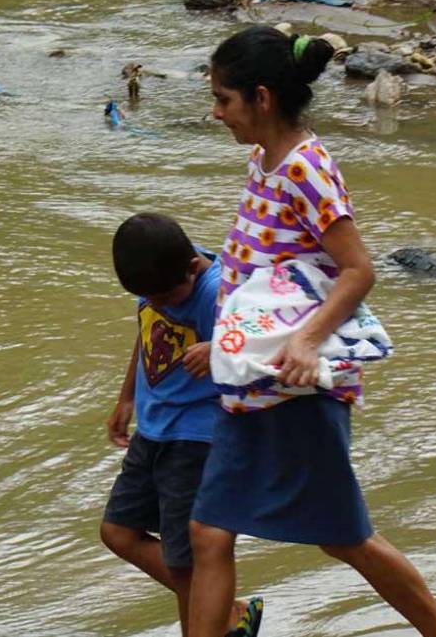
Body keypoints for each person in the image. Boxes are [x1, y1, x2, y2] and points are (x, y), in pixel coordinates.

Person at [187, 26, 436, 637]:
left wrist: (305, 343)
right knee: (208, 531)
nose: (216, 112)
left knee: (346, 539)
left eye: (223, 98)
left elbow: (357, 271)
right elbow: (265, 276)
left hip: (297, 390)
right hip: (254, 383)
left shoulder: (308, 170)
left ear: (262, 98)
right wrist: (225, 346)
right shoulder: (265, 161)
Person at [101, 213, 264, 637]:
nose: (156, 303)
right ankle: (227, 613)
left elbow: (260, 354)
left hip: (196, 437)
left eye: (163, 297)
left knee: (184, 558)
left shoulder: (218, 296)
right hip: (153, 429)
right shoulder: (158, 282)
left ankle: (212, 624)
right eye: (146, 297)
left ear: (192, 268)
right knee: (118, 531)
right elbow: (146, 333)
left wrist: (219, 349)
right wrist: (126, 398)